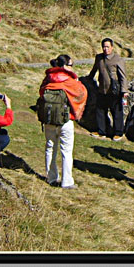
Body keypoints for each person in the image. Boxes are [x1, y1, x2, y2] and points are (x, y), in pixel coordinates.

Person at [39, 54, 87, 189]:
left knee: (50, 147)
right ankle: (67, 181)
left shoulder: (48, 78)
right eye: (71, 65)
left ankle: (51, 177)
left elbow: (41, 92)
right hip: (65, 120)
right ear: (65, 66)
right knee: (66, 151)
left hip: (49, 119)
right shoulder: (70, 81)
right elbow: (81, 94)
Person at [86, 38, 128, 140]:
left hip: (114, 91)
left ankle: (118, 132)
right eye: (104, 47)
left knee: (116, 111)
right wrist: (88, 79)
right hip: (102, 89)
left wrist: (124, 90)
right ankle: (102, 131)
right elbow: (94, 70)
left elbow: (123, 76)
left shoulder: (118, 59)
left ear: (112, 47)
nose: (105, 49)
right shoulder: (99, 58)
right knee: (100, 110)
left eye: (108, 47)